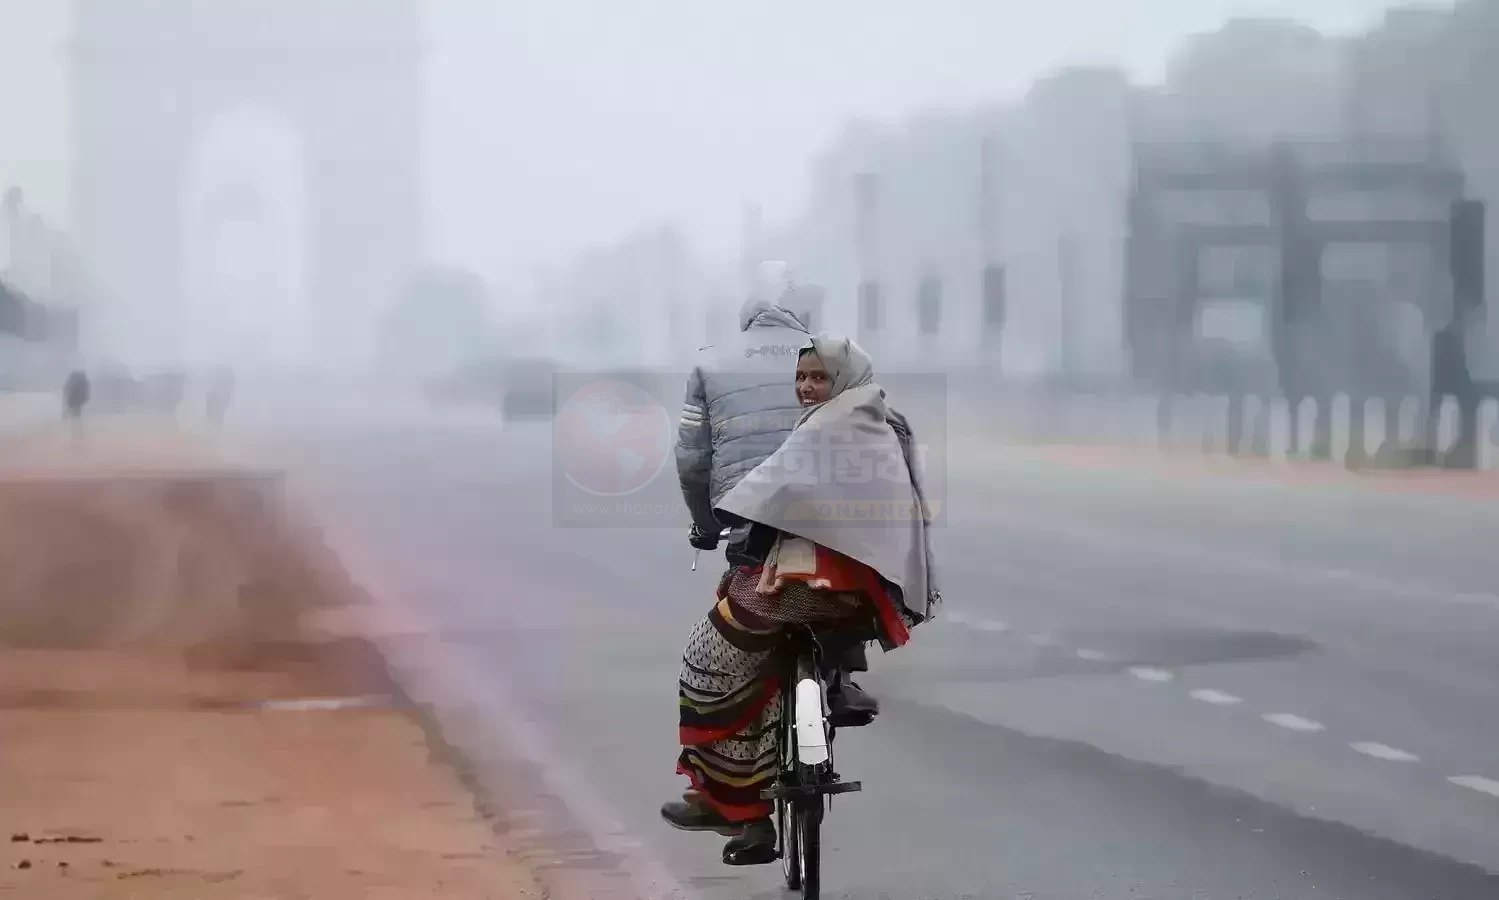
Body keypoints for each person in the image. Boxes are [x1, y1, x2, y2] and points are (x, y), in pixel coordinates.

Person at [663, 335, 940, 865]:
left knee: (711, 657)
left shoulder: (829, 426)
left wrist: (732, 526)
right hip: (866, 598)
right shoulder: (885, 419)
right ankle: (836, 686)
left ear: (842, 379)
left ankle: (731, 806)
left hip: (805, 592)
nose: (808, 387)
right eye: (802, 378)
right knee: (768, 668)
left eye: (818, 377)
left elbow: (773, 498)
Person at [675, 262, 878, 725]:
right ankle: (840, 680)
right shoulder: (832, 359)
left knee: (743, 612)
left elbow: (692, 459)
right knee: (841, 571)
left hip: (744, 509)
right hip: (823, 509)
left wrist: (706, 525)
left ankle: (740, 716)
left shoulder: (709, 363)